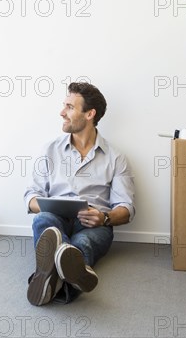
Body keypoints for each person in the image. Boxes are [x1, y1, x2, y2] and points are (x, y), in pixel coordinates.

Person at [24, 82, 135, 305]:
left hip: (94, 224)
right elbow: (31, 197)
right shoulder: (49, 150)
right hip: (55, 217)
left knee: (83, 241)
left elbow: (126, 209)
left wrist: (104, 217)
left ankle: (48, 279)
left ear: (89, 114)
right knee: (44, 220)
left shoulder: (116, 157)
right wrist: (49, 204)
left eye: (69, 107)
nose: (62, 112)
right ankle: (67, 285)